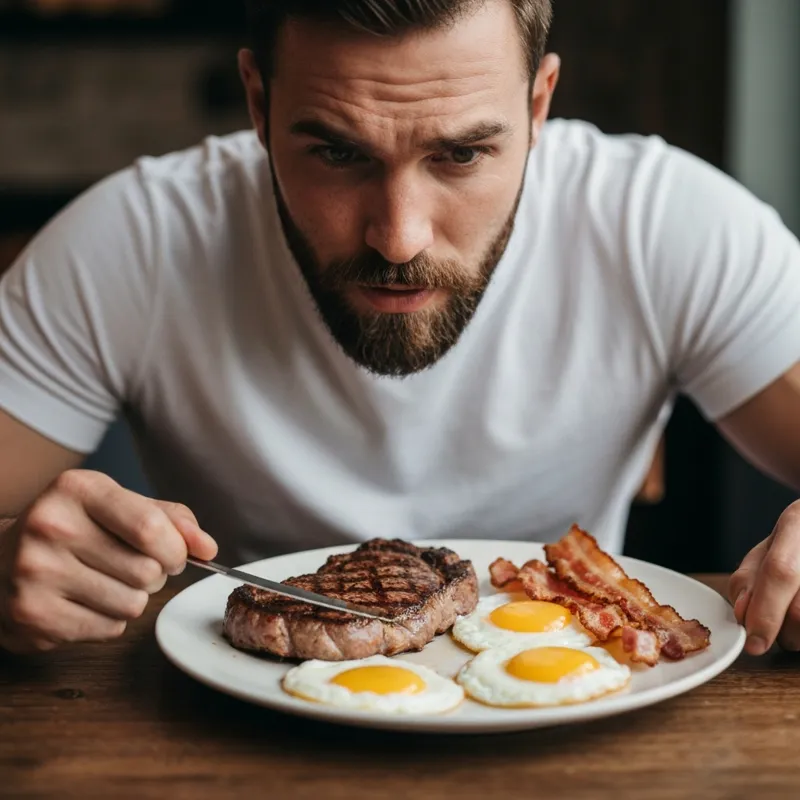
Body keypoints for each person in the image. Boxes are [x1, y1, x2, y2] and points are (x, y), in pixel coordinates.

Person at [1, 0, 799, 659]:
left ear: (538, 104)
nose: (399, 237)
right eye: (338, 154)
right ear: (257, 102)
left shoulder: (666, 223)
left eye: (460, 155)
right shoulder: (127, 242)